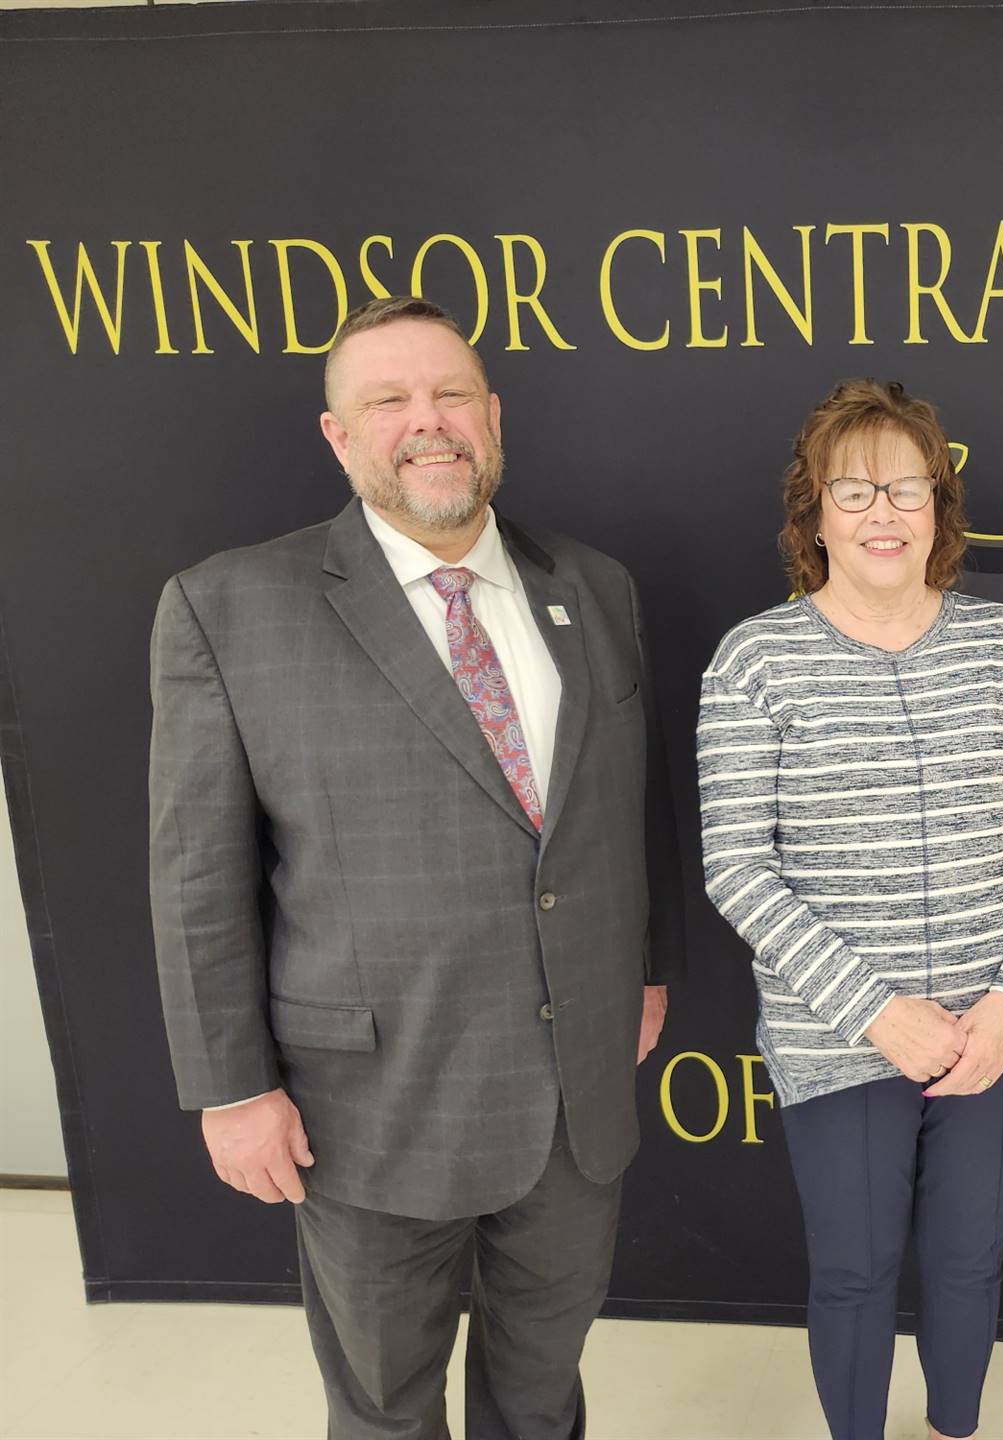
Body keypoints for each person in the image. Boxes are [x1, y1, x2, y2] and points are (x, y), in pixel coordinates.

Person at [148, 295, 683, 1439]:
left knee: (540, 1390)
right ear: (339, 437)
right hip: (372, 1111)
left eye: (450, 395)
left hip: (570, 1101)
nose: (425, 422)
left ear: (493, 418)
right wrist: (232, 1088)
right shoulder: (229, 607)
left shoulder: (594, 588)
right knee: (385, 1408)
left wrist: (645, 969)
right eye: (387, 400)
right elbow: (198, 879)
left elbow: (636, 810)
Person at [696, 379, 1003, 1440]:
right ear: (813, 513)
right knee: (857, 1271)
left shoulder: (1002, 644)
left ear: (939, 510)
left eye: (906, 489)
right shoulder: (755, 660)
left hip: (991, 1033)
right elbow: (736, 866)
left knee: (970, 1258)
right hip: (840, 1039)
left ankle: (955, 1428)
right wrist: (879, 1011)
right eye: (853, 489)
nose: (882, 513)